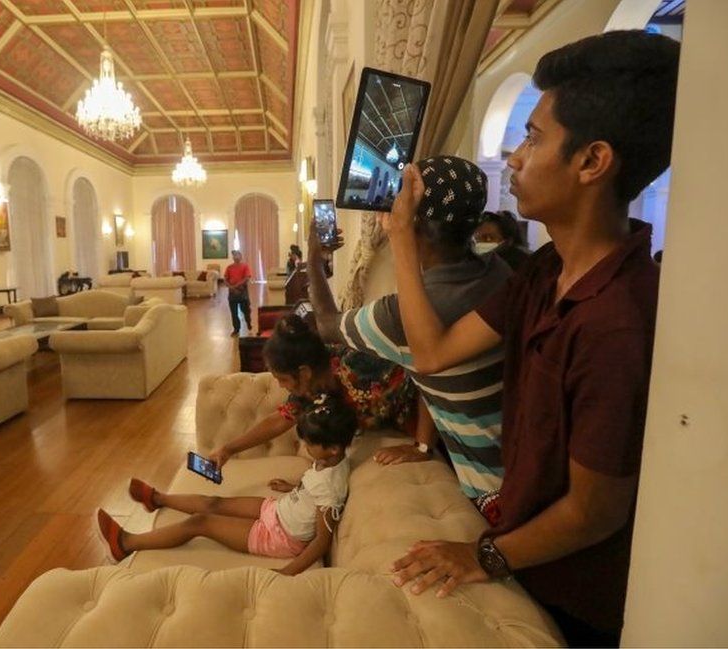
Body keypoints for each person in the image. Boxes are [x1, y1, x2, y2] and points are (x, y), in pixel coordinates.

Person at [383, 30, 680, 647]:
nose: (515, 158)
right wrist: (403, 241)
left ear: (592, 161)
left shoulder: (617, 320)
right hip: (523, 555)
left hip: (572, 599)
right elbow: (433, 354)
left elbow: (595, 510)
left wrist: (484, 557)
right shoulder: (543, 273)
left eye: (534, 137)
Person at [306, 156, 511, 512]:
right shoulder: (498, 270)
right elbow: (423, 366)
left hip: (492, 493)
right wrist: (421, 445)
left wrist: (312, 257)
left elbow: (325, 325)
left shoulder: (400, 317)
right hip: (518, 462)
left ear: (408, 220)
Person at [97, 395, 356, 575]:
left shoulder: (332, 487)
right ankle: (158, 499)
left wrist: (288, 572)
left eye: (310, 444)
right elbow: (314, 486)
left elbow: (322, 540)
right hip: (279, 510)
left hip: (281, 537)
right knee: (214, 502)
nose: (306, 448)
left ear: (332, 448)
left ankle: (125, 544)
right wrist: (293, 488)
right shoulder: (330, 461)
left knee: (200, 522)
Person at [210, 314, 432, 469]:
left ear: (304, 372)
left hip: (440, 427)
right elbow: (280, 419)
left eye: (283, 379)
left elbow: (425, 379)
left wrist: (422, 447)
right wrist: (228, 449)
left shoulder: (357, 365)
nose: (280, 385)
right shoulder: (309, 388)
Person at [224, 249, 253, 336]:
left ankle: (248, 322)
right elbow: (225, 279)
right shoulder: (229, 267)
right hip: (232, 292)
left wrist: (236, 286)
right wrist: (231, 287)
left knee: (245, 310)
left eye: (237, 255)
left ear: (241, 257)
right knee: (234, 312)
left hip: (242, 291)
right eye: (234, 255)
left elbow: (247, 278)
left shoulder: (245, 266)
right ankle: (236, 329)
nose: (236, 257)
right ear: (233, 257)